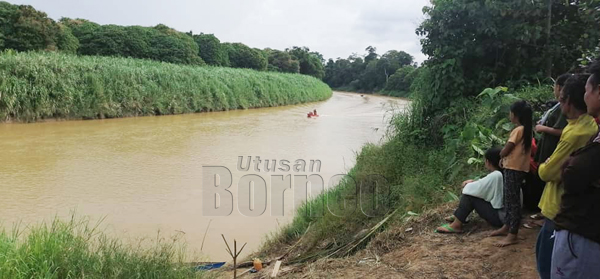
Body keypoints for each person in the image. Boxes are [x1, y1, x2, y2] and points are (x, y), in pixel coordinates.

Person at [535, 74, 599, 279]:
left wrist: (546, 165)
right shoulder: (587, 125)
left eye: (561, 98)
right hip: (573, 213)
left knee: (547, 266)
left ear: (568, 101)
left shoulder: (575, 132)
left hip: (560, 210)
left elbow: (547, 172)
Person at [524, 74, 571, 213]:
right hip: (548, 145)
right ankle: (543, 211)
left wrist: (542, 128)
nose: (554, 90)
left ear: (559, 88)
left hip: (553, 148)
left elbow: (563, 130)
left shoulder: (564, 107)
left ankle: (547, 213)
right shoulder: (558, 105)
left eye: (555, 87)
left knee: (549, 178)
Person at [490, 100, 532, 247]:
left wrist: (501, 154)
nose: (509, 114)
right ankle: (507, 226)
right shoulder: (526, 130)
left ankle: (512, 233)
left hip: (514, 169)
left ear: (515, 115)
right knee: (509, 198)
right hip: (517, 167)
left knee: (512, 201)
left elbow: (508, 147)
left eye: (510, 112)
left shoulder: (518, 130)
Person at [435, 147, 504, 233]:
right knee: (473, 192)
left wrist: (467, 184)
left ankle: (456, 225)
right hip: (508, 216)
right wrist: (474, 182)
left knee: (469, 196)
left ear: (488, 161)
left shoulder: (496, 175)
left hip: (500, 218)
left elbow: (470, 189)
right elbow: (484, 186)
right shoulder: (505, 172)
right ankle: (460, 215)